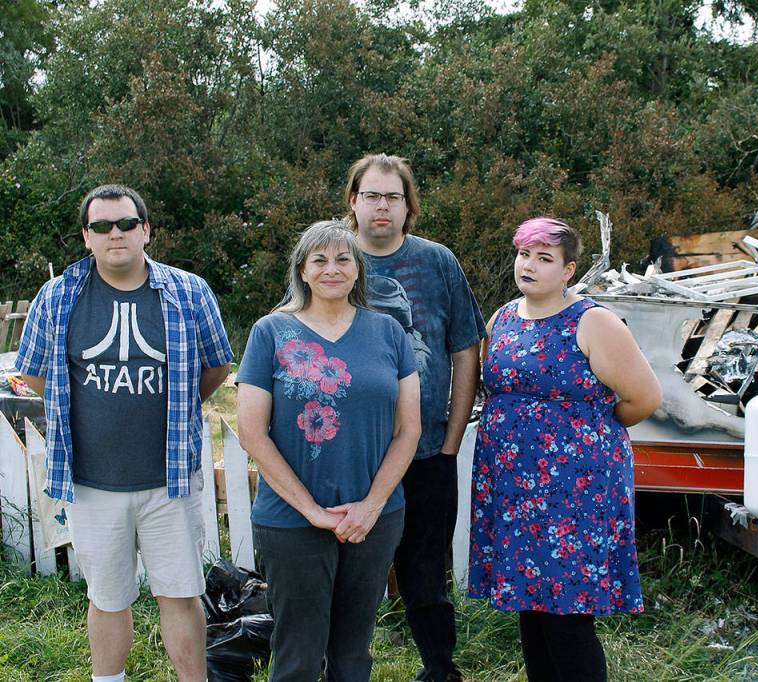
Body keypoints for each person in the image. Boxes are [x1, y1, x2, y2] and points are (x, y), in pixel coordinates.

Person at [15, 184, 233, 682]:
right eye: (101, 226)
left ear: (146, 230)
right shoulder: (58, 296)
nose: (115, 234)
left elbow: (217, 365)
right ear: (86, 236)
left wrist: (176, 405)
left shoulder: (189, 291)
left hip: (169, 480)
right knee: (107, 598)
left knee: (180, 595)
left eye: (127, 224)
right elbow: (33, 374)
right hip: (91, 482)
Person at [468, 217, 662, 681]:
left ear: (569, 269)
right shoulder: (503, 318)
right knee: (530, 608)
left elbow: (644, 399)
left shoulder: (593, 322)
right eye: (523, 255)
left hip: (575, 492)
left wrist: (584, 435)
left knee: (567, 616)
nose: (528, 265)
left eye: (544, 258)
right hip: (513, 489)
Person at [235, 220, 420, 681]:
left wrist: (371, 506)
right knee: (297, 653)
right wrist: (312, 511)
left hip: (373, 518)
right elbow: (251, 431)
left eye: (343, 259)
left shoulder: (389, 333)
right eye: (319, 260)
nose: (331, 269)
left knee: (353, 652)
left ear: (358, 270)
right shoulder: (271, 332)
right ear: (302, 269)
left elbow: (408, 430)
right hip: (291, 519)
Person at [345, 153, 486, 682]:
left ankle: (439, 669)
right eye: (372, 195)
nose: (382, 206)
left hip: (427, 449)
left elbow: (466, 347)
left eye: (393, 196)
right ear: (353, 202)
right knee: (347, 570)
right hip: (349, 450)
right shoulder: (331, 258)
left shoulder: (437, 262)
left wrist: (451, 440)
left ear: (408, 207)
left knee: (426, 569)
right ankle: (339, 665)